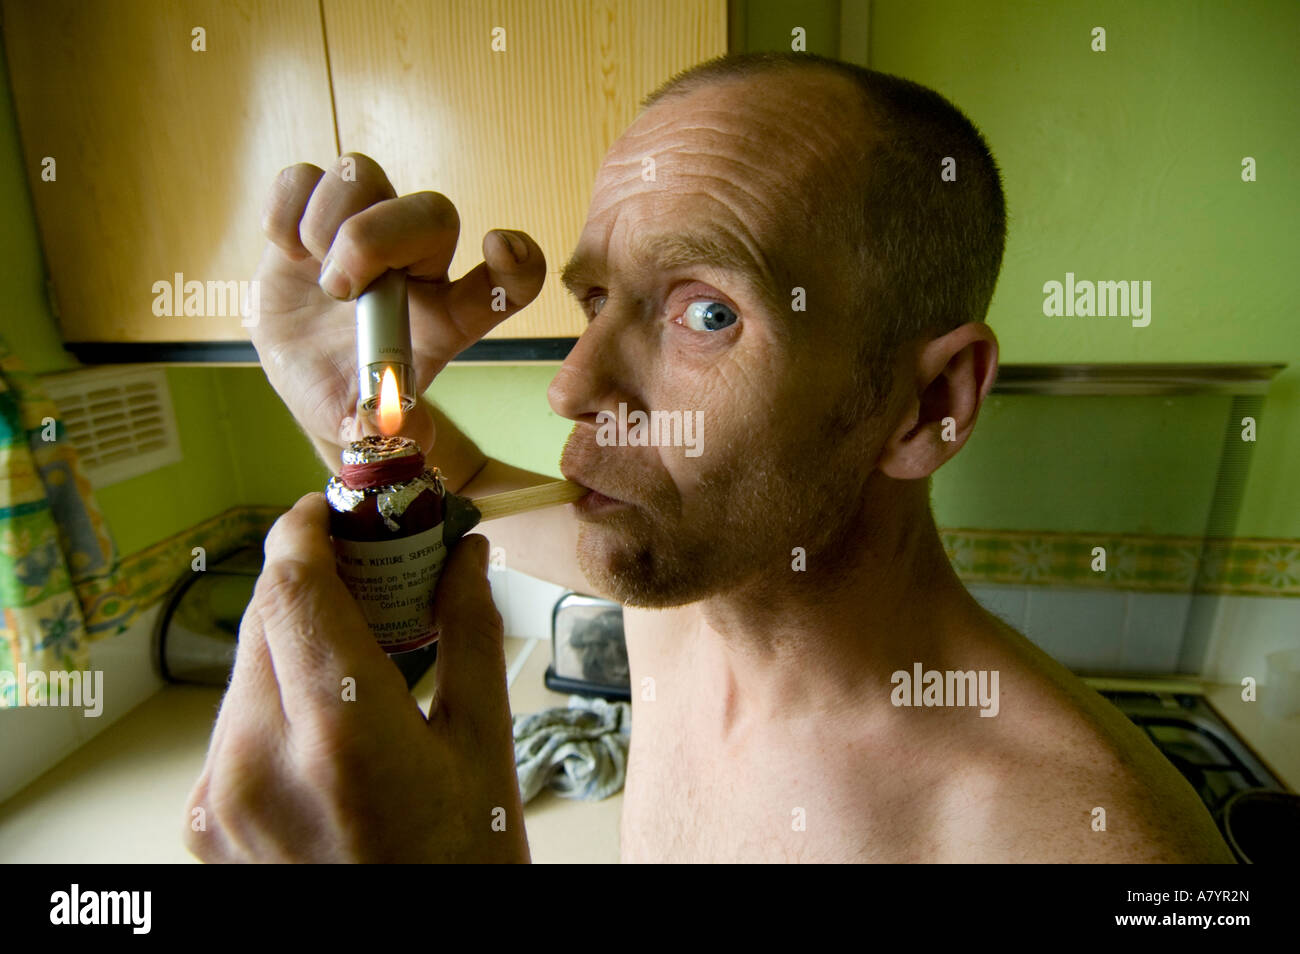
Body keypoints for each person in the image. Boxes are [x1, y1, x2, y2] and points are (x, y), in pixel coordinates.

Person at [184, 51, 1234, 863]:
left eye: (708, 311)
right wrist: (348, 395)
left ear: (927, 406)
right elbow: (457, 492)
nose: (572, 386)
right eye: (598, 299)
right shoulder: (682, 590)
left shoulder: (1071, 842)